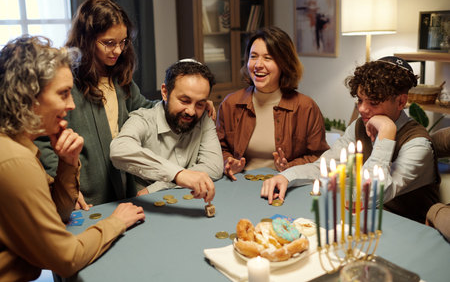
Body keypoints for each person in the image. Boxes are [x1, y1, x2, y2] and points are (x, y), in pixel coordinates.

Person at [35, 0, 215, 208]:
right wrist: (65, 186)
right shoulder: (66, 86)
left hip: (120, 193)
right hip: (83, 198)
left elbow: (148, 109)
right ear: (86, 39)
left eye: (123, 42)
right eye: (109, 43)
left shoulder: (121, 82)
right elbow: (43, 141)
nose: (118, 51)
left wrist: (192, 103)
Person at [0, 35, 145, 281]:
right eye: (63, 93)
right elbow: (66, 258)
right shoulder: (14, 161)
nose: (72, 105)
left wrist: (67, 164)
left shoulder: (19, 146)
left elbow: (59, 213)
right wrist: (116, 222)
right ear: (29, 97)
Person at [261, 56, 440, 223]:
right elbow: (325, 167)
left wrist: (386, 133)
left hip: (407, 227)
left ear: (401, 102)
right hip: (365, 220)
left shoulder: (418, 144)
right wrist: (286, 176)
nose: (362, 109)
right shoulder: (360, 126)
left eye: (373, 103)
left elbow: (368, 196)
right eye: (360, 100)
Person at [216, 26, 329, 180]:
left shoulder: (306, 107)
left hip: (287, 184)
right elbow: (218, 149)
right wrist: (227, 162)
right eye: (253, 56)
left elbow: (319, 156)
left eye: (268, 58)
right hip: (238, 183)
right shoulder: (231, 104)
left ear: (284, 64)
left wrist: (289, 167)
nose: (258, 65)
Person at [110, 59, 223, 202]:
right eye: (184, 100)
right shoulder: (143, 119)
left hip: (191, 204)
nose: (191, 111)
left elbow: (214, 167)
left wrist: (166, 182)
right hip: (146, 209)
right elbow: (119, 150)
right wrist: (178, 175)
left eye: (200, 104)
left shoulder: (204, 119)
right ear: (165, 92)